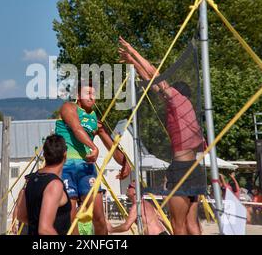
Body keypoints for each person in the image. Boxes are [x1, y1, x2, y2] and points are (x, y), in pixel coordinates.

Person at [118, 37, 206, 235]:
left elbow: (154, 74)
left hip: (182, 169)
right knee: (193, 225)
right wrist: (132, 63)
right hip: (195, 170)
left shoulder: (177, 100)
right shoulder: (187, 111)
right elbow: (152, 83)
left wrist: (132, 51)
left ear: (177, 92)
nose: (162, 94)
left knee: (179, 226)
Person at [55, 78, 131, 235]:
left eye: (94, 94)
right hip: (66, 167)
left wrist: (125, 162)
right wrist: (93, 147)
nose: (91, 97)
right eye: (87, 93)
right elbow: (76, 129)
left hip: (86, 169)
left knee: (99, 218)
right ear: (78, 95)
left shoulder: (95, 120)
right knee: (70, 218)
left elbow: (112, 146)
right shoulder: (69, 107)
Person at [16, 134, 71, 235]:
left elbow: (20, 215)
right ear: (65, 155)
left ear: (45, 155)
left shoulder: (31, 179)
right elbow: (45, 229)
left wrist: (37, 224)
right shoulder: (54, 184)